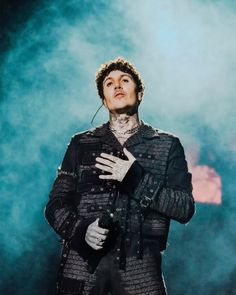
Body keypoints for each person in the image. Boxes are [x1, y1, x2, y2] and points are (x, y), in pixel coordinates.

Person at [45, 57, 195, 295]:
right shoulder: (81, 143)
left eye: (125, 80)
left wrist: (135, 178)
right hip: (83, 272)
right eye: (109, 83)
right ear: (103, 99)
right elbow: (55, 205)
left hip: (141, 276)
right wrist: (81, 230)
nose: (117, 85)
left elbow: (184, 207)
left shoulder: (167, 145)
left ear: (140, 92)